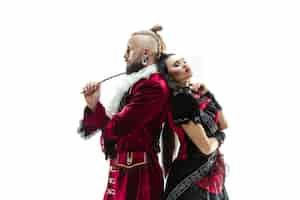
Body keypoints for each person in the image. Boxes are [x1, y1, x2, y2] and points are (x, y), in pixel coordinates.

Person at [78, 25, 170, 200]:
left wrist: (98, 110)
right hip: (125, 167)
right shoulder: (136, 85)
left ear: (145, 54)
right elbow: (113, 126)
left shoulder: (152, 87)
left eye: (129, 50)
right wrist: (93, 104)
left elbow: (118, 127)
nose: (125, 55)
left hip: (138, 174)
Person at [158, 53, 229, 200]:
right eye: (177, 64)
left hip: (211, 172)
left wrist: (209, 94)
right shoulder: (181, 101)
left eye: (184, 61)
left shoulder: (195, 94)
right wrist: (220, 137)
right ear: (168, 76)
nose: (184, 65)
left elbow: (224, 124)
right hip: (191, 177)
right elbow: (206, 147)